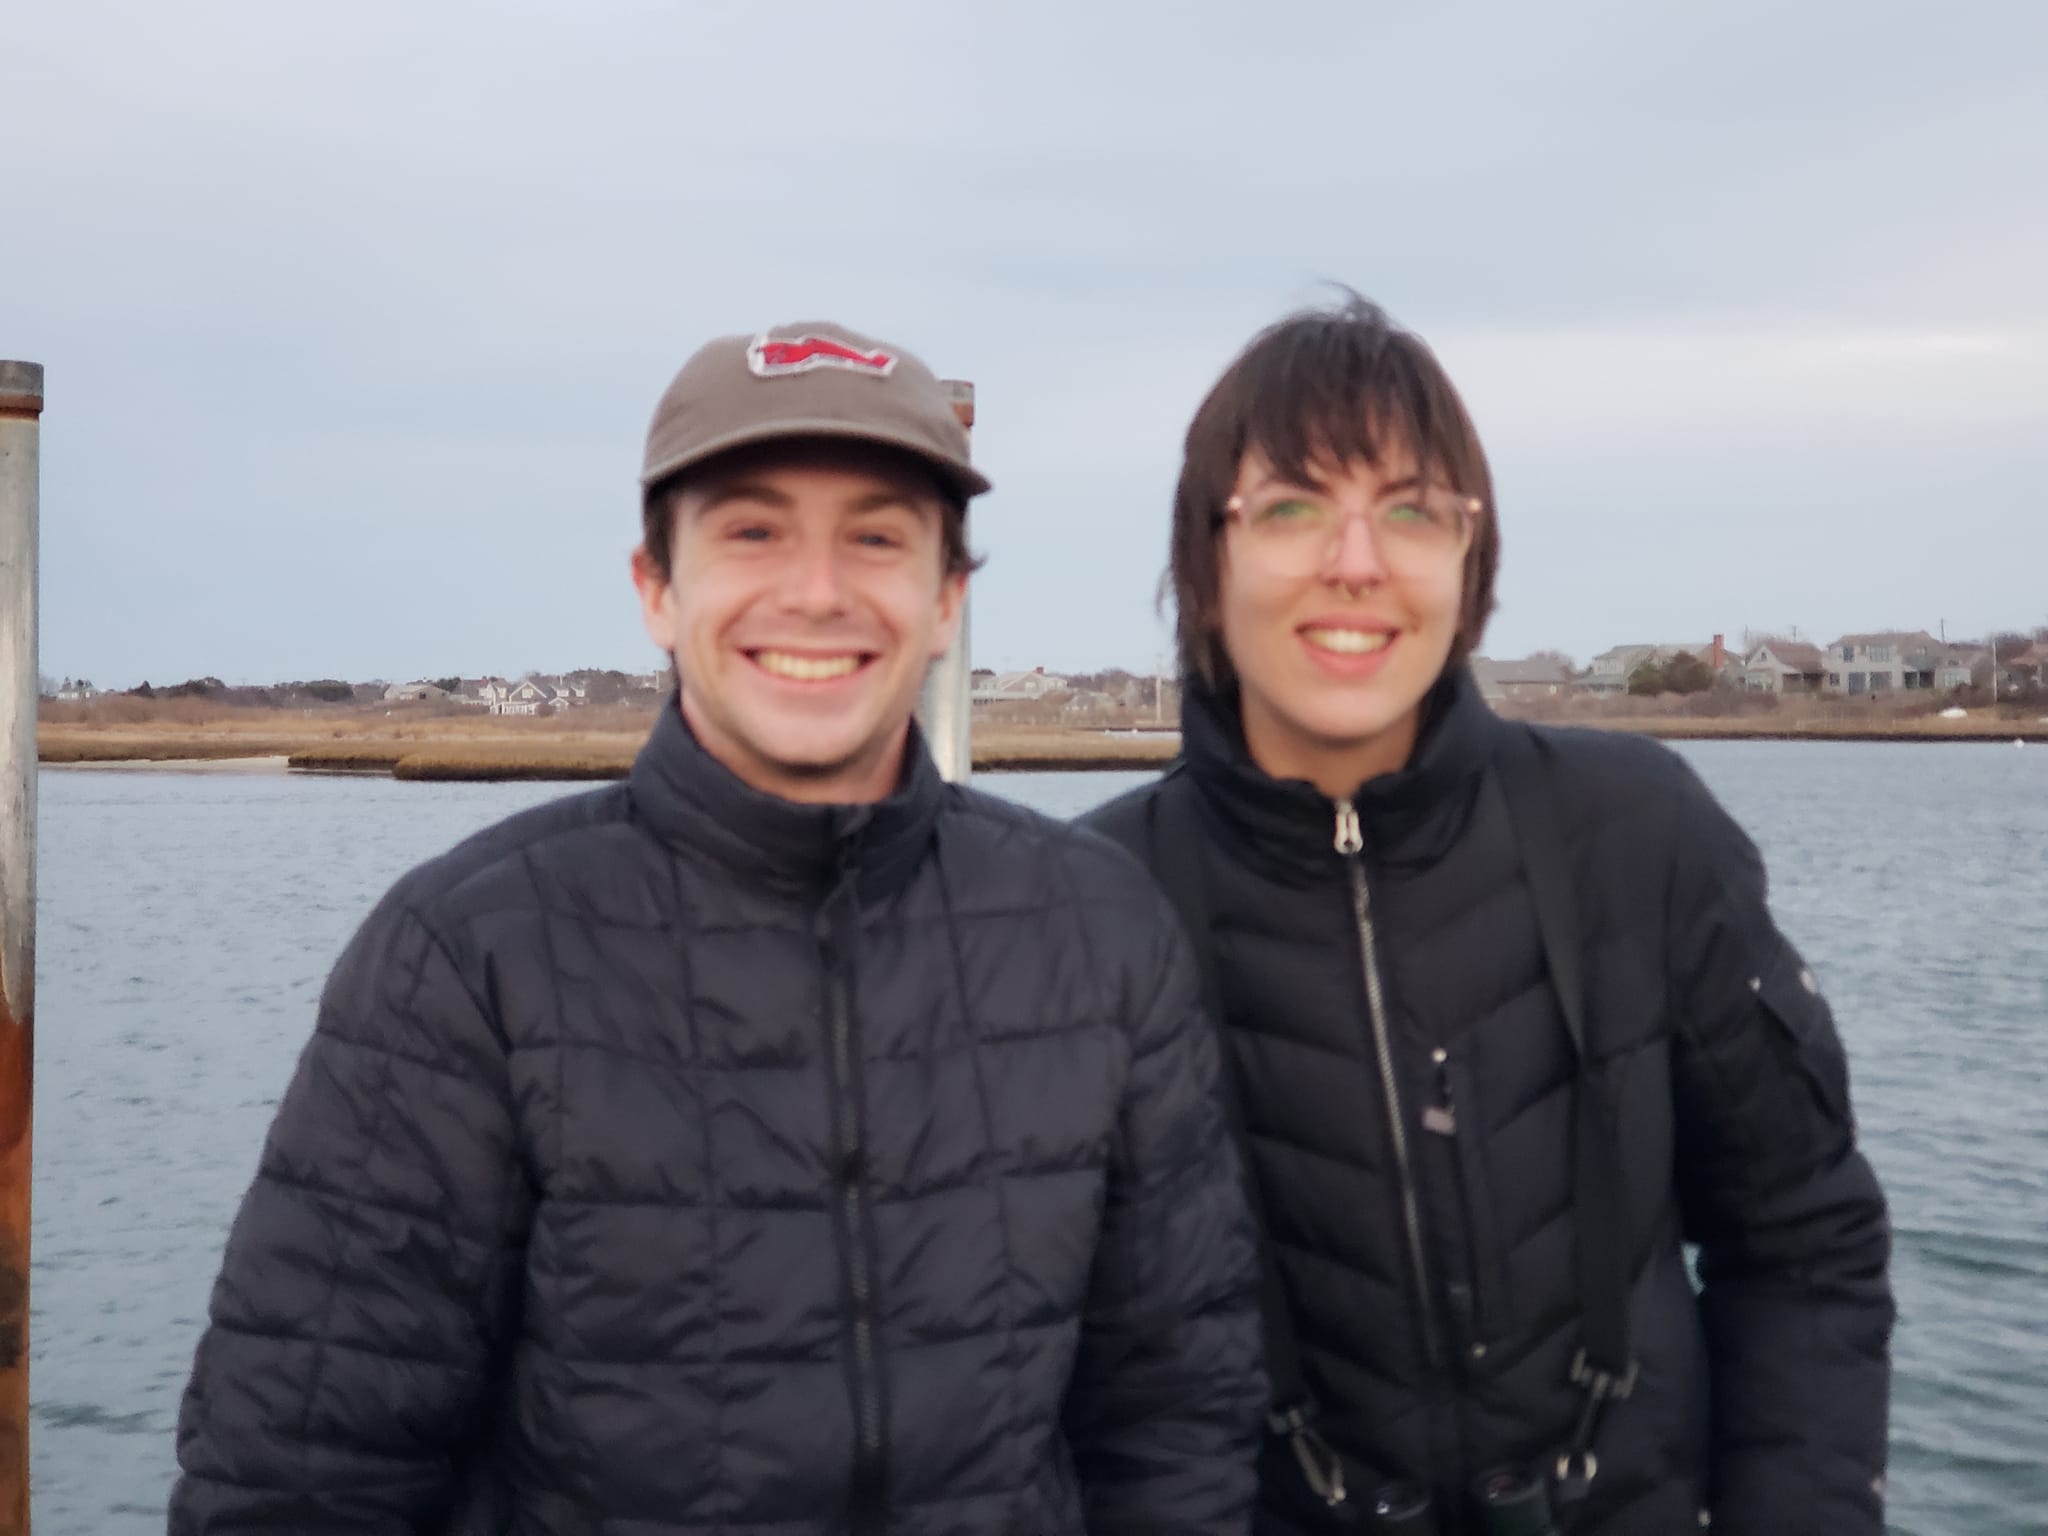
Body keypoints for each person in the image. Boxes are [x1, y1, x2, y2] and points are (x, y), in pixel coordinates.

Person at [170, 320, 1265, 1534]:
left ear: (947, 597)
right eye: (750, 531)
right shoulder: (468, 958)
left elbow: (1175, 1424)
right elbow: (303, 1474)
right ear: (655, 586)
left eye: (877, 538)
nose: (814, 590)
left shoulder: (1097, 932)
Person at [1082, 295, 1893, 1535]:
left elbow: (1801, 1242)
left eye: (1411, 509)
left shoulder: (1637, 830)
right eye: (1291, 505)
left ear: (1470, 562)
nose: (1355, 562)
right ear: (1204, 559)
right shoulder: (1093, 907)